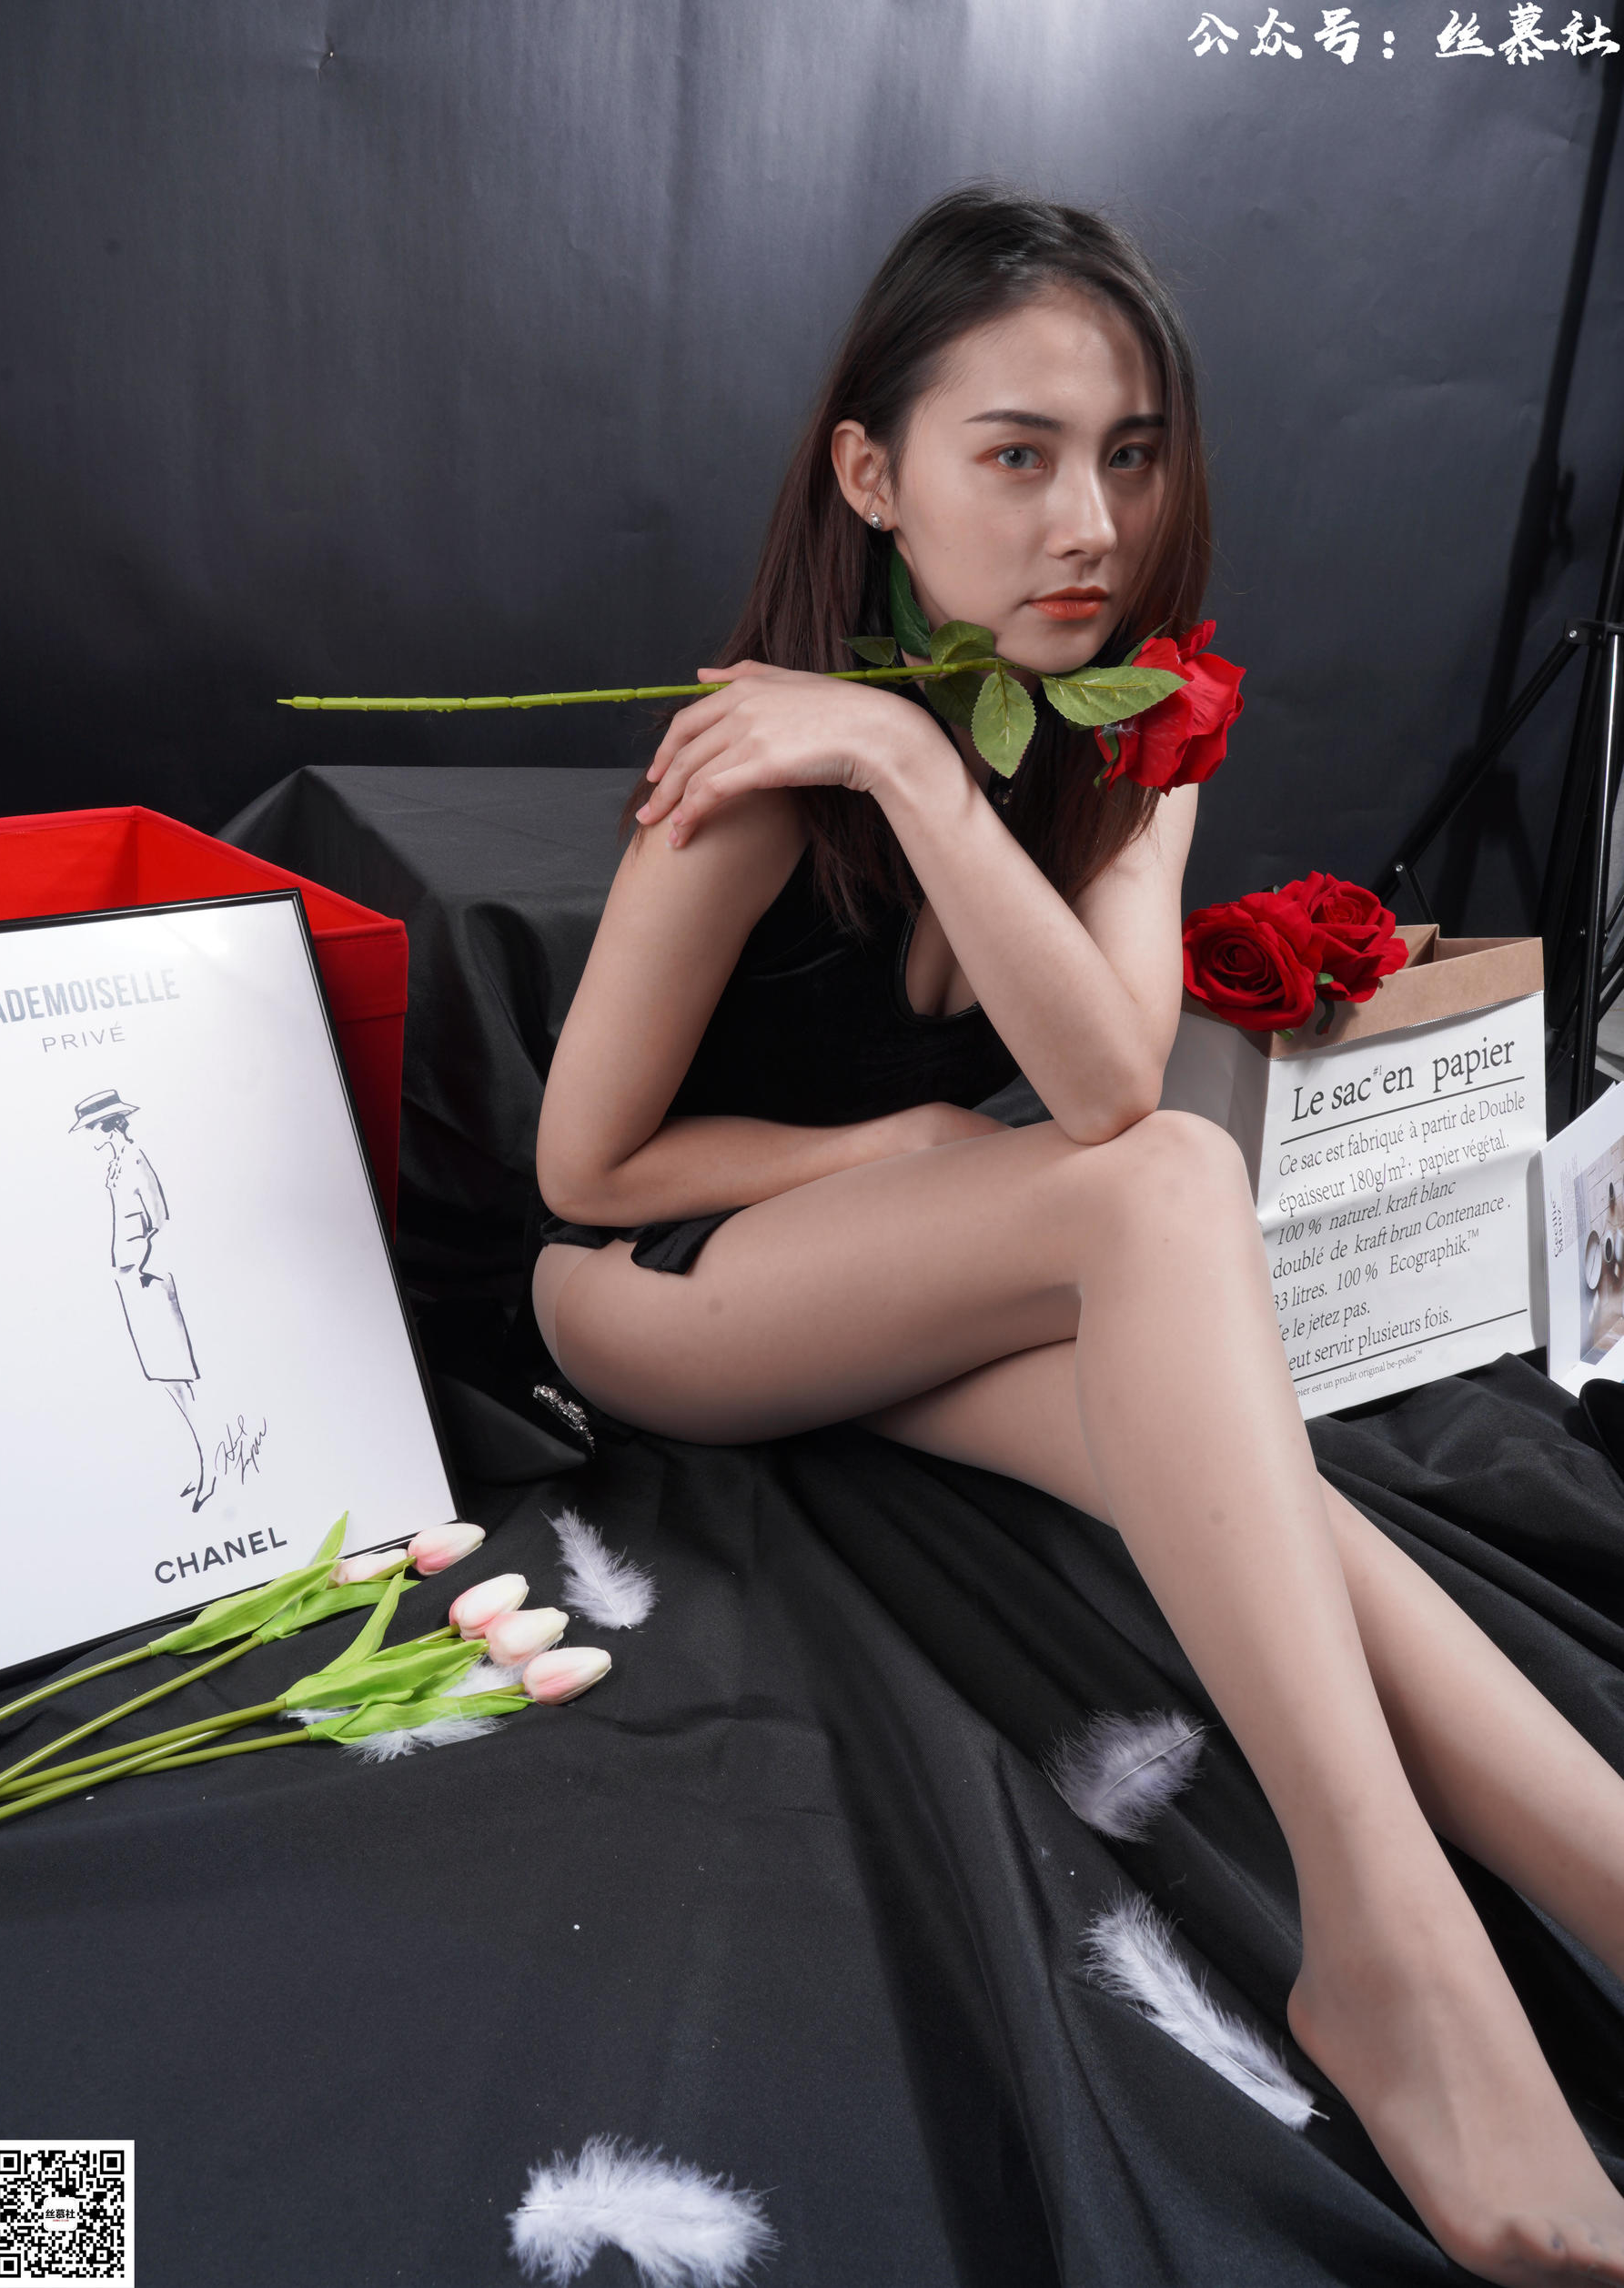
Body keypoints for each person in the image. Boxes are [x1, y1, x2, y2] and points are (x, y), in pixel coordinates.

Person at [530, 187, 1624, 2282]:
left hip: (910, 1269)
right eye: (1015, 454)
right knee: (1170, 1189)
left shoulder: (1136, 728)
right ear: (873, 476)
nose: (1089, 521)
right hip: (663, 1296)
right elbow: (588, 1172)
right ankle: (1389, 1950)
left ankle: (1601, 1863)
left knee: (1242, 1491)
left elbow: (1106, 1073)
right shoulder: (757, 769)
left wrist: (932, 780)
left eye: (1129, 452)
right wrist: (901, 1132)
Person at [74, 1085, 212, 1508]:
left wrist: (142, 1268)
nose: (89, 1137)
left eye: (91, 1128)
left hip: (146, 1279)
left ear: (107, 1126)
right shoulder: (116, 1165)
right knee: (165, 1379)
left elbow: (160, 1218)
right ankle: (200, 1465)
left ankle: (208, 1469)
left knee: (179, 1376)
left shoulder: (134, 1160)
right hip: (130, 1279)